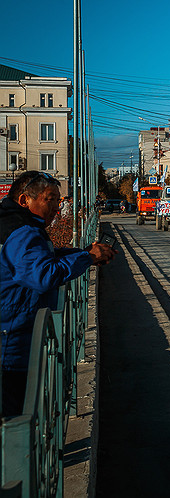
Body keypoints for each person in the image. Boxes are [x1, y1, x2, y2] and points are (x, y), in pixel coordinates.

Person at [1, 171, 116, 418]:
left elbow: (44, 258)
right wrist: (87, 258)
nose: (57, 207)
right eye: (50, 199)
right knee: (15, 419)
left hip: (14, 334)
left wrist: (84, 254)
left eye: (58, 200)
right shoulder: (22, 232)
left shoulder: (17, 225)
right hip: (11, 344)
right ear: (24, 200)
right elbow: (42, 275)